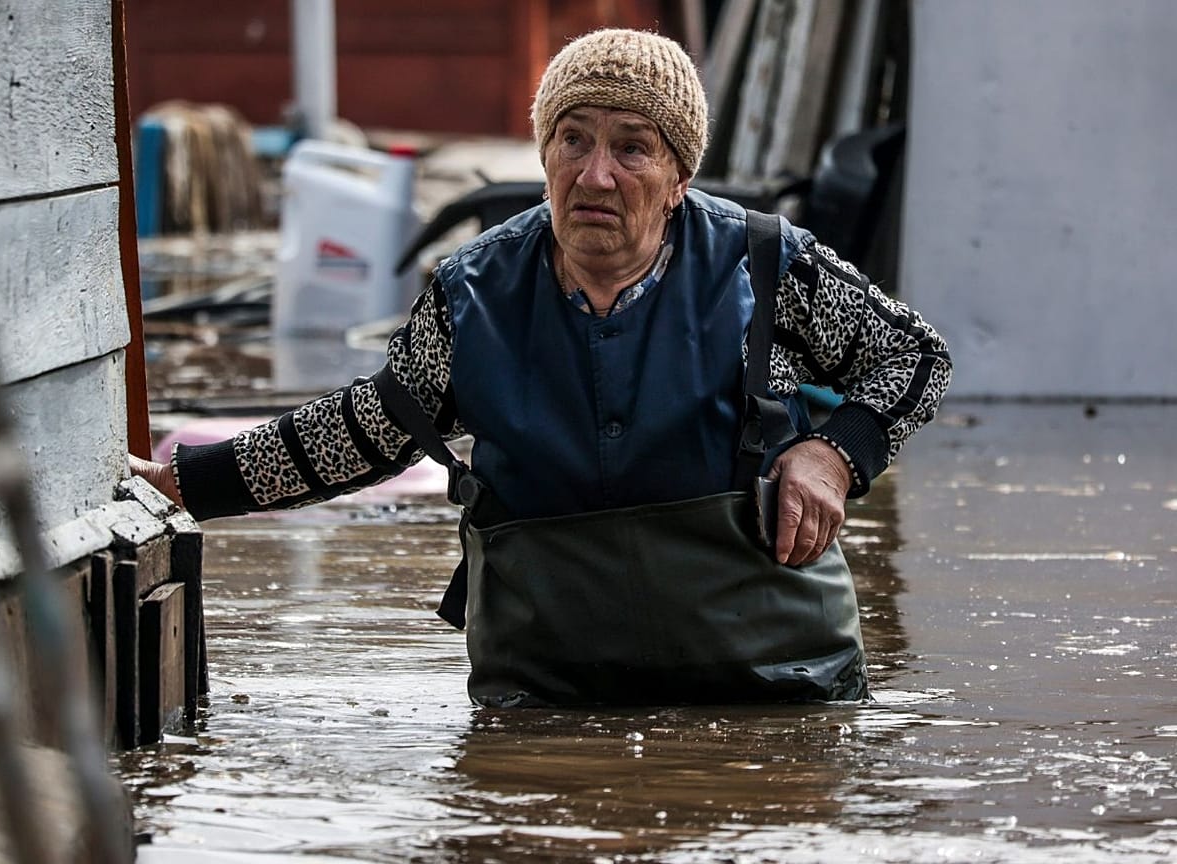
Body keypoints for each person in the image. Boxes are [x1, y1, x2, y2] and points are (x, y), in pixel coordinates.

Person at [133, 29, 951, 708]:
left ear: (679, 179)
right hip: (550, 686)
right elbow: (366, 433)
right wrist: (189, 483)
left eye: (632, 147)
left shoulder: (767, 264)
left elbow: (914, 357)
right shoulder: (471, 293)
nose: (596, 174)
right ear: (547, 151)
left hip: (774, 680)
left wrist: (835, 454)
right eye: (575, 140)